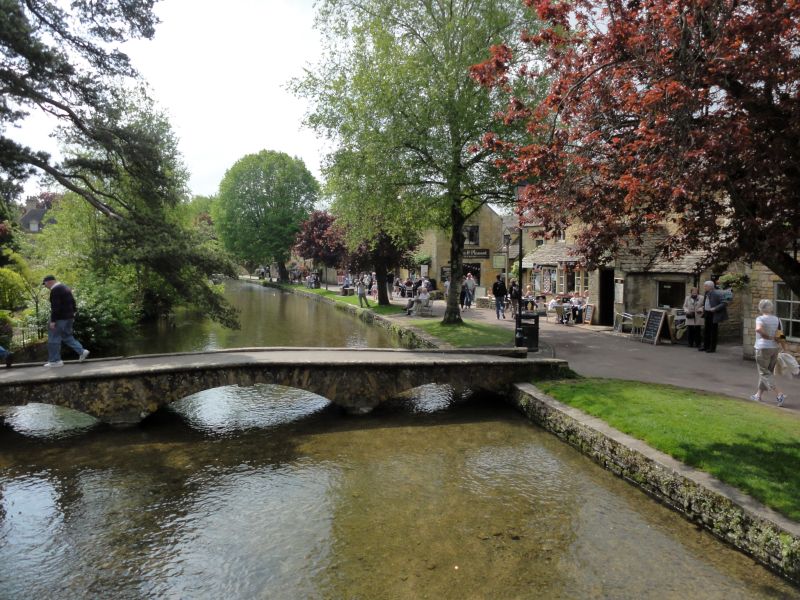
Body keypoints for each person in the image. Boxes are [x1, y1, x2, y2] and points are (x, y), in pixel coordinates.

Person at [42, 275, 90, 368]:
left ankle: (55, 361)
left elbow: (56, 307)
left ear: (49, 282)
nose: (45, 286)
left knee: (53, 339)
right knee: (67, 336)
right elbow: (73, 302)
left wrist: (53, 320)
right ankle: (82, 351)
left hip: (60, 318)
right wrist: (73, 313)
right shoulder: (65, 287)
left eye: (45, 284)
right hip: (69, 317)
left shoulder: (55, 290)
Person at [750, 299, 787, 406]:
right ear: (771, 308)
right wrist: (784, 348)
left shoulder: (760, 318)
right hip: (774, 349)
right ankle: (758, 395)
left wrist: (768, 337)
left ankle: (779, 394)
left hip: (763, 348)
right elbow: (781, 335)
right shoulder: (777, 319)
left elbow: (758, 330)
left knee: (764, 373)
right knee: (767, 373)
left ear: (760, 308)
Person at [700, 280, 727, 352]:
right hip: (707, 313)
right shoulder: (706, 293)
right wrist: (703, 307)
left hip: (714, 314)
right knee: (706, 331)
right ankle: (705, 346)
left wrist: (715, 308)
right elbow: (706, 302)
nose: (704, 287)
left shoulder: (717, 293)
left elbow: (724, 303)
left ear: (710, 287)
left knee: (713, 332)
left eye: (705, 286)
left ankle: (712, 348)